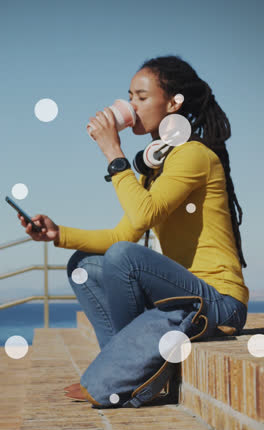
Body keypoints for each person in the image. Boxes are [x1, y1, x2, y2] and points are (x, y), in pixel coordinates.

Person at [18, 55, 249, 401]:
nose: (131, 106)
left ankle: (119, 376)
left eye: (141, 97)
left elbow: (142, 219)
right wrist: (57, 234)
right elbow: (121, 235)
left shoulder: (193, 155)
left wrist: (113, 151)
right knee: (85, 266)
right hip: (182, 296)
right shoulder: (154, 167)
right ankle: (123, 372)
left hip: (219, 302)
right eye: (130, 97)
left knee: (124, 257)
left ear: (173, 103)